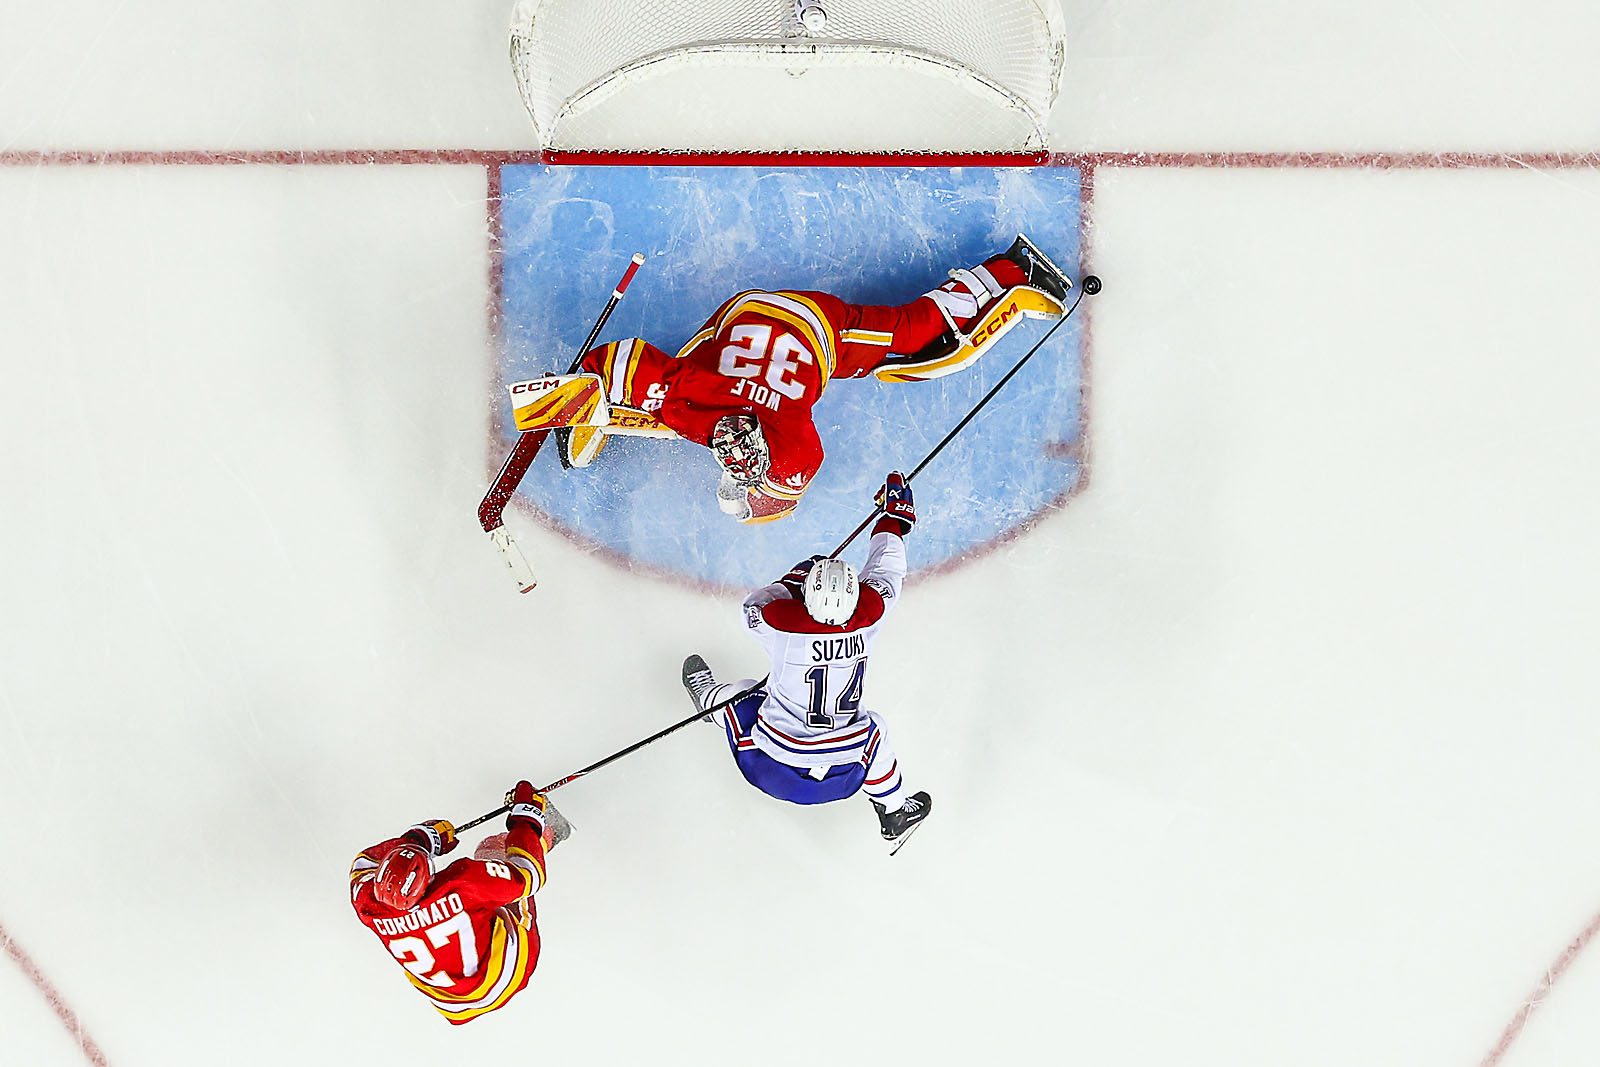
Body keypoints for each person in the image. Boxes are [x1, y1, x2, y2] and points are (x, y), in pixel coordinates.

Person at [565, 234, 1071, 523]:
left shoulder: (778, 434)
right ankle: (1006, 271)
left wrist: (580, 387)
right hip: (784, 317)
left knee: (913, 338)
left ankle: (1008, 272)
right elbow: (627, 357)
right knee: (914, 332)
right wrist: (588, 384)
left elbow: (624, 359)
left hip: (782, 320)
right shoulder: (732, 411)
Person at [681, 470, 931, 845]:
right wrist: (893, 520)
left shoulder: (784, 629)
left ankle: (707, 701)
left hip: (771, 768)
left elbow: (753, 609)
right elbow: (887, 568)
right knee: (873, 730)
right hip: (844, 777)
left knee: (744, 692)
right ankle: (893, 809)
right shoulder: (868, 618)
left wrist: (791, 582)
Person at [348, 782, 571, 1024]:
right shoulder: (463, 884)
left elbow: (363, 865)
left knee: (484, 895)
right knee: (494, 852)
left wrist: (417, 840)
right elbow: (529, 875)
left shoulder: (368, 903)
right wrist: (528, 821)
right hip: (505, 973)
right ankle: (552, 831)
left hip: (450, 1003)